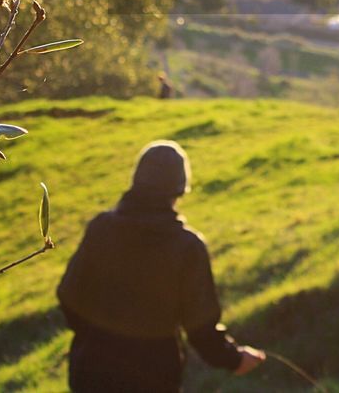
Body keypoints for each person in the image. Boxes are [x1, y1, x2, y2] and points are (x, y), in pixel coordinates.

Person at [57, 140, 266, 391]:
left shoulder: (100, 228)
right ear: (179, 191)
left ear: (136, 181)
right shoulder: (188, 247)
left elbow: (69, 297)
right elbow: (200, 329)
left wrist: (96, 337)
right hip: (152, 377)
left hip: (90, 372)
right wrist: (235, 359)